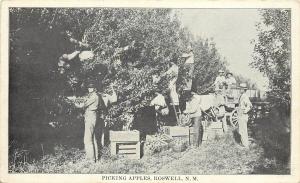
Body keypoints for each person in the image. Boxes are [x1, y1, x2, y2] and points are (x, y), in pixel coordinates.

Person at [69, 83, 117, 162]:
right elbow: (114, 99)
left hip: (91, 117)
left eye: (91, 88)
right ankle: (96, 158)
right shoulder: (97, 95)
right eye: (89, 87)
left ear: (95, 88)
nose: (89, 89)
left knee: (87, 139)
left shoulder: (94, 96)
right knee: (93, 138)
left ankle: (91, 159)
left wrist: (75, 102)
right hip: (94, 117)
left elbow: (83, 105)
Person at [237, 83, 252, 148]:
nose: (240, 90)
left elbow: (250, 106)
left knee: (243, 130)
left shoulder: (245, 96)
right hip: (240, 115)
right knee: (241, 130)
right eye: (240, 89)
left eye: (241, 89)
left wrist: (245, 111)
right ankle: (243, 143)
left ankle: (245, 145)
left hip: (243, 115)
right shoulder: (242, 95)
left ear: (244, 89)